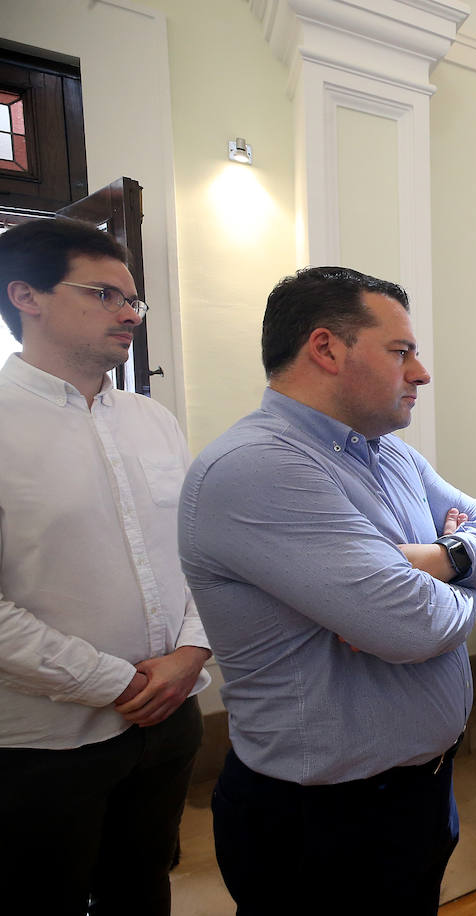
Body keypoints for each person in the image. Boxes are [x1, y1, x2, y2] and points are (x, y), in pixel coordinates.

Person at [179, 266, 476, 913]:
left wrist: (443, 557)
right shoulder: (258, 467)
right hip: (323, 819)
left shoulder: (388, 453)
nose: (420, 373)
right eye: (401, 351)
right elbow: (413, 629)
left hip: (417, 790)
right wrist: (468, 586)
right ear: (327, 348)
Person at [0, 218, 212, 915]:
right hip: (48, 743)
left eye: (134, 301)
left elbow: (196, 550)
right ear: (25, 295)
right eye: (104, 294)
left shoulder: (153, 421)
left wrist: (191, 651)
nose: (128, 312)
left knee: (142, 883)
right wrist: (116, 682)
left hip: (169, 720)